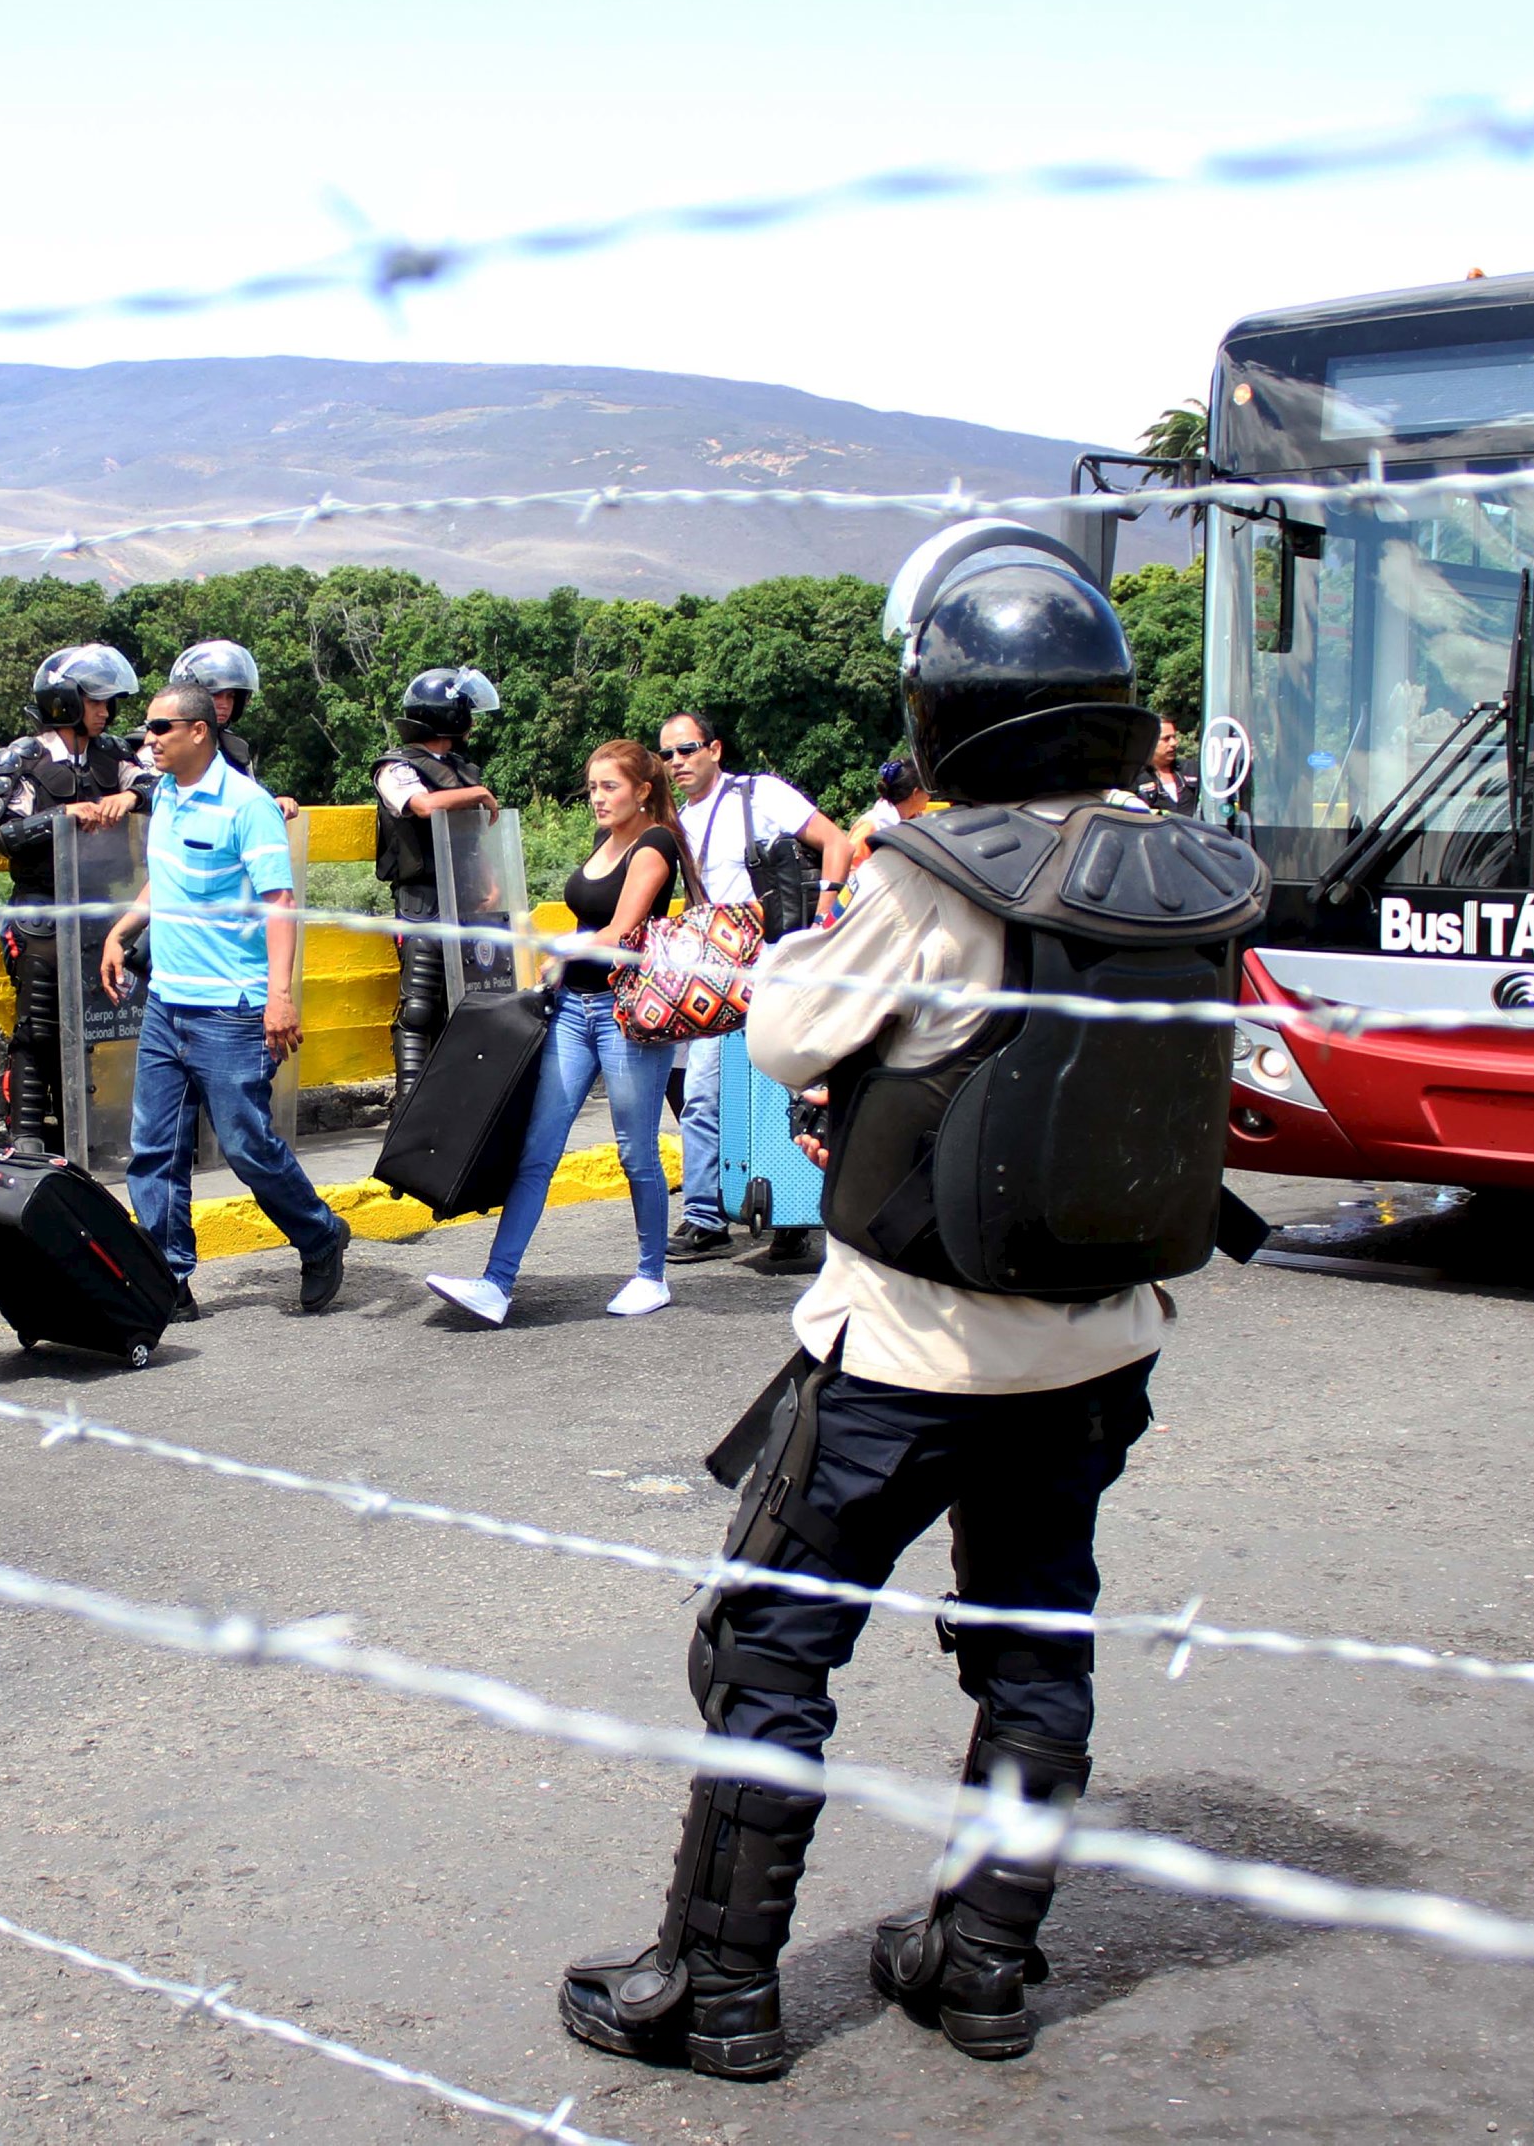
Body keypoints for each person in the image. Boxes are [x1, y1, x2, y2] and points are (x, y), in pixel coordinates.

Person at [560, 524, 1255, 2079]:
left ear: (951, 712)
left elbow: (795, 1034)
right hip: (1096, 1345)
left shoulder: (943, 873)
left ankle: (720, 1982)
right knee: (1032, 1646)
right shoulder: (1201, 873)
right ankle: (986, 1963)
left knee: (767, 1641)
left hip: (911, 1345)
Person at [421, 742, 695, 1327]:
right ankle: (496, 1284)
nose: (597, 797)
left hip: (627, 1016)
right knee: (537, 1151)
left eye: (610, 787)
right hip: (575, 1010)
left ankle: (651, 1275)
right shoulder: (606, 841)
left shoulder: (656, 844)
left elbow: (621, 933)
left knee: (635, 1152)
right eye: (593, 787)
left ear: (643, 791)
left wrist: (560, 951)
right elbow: (585, 920)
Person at [99, 683, 346, 1319]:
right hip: (167, 1005)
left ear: (199, 732)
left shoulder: (247, 806)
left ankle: (319, 1235)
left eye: (160, 728)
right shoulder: (167, 798)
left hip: (233, 1010)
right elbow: (168, 873)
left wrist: (280, 997)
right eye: (146, 729)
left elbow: (279, 904)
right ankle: (168, 1278)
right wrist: (123, 930)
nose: (148, 739)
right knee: (154, 1149)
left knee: (245, 1145)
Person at [656, 712, 854, 1267]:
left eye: (688, 749)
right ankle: (705, 1217)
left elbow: (835, 842)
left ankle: (792, 1217)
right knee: (701, 1094)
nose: (678, 762)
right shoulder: (673, 820)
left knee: (784, 1092)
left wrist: (822, 918)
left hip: (776, 964)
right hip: (716, 976)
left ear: (715, 749)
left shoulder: (760, 794)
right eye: (668, 754)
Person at [0, 645, 149, 1154]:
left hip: (98, 909)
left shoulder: (114, 754)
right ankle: (27, 1131)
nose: (105, 711)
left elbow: (161, 785)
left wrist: (130, 797)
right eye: (96, 701)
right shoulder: (20, 759)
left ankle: (80, 1129)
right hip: (40, 911)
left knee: (89, 1025)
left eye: (109, 703)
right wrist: (63, 818)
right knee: (39, 1026)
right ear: (64, 700)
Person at [371, 667, 504, 1105]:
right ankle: (410, 1106)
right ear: (446, 716)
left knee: (469, 1004)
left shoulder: (463, 770)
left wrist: (489, 882)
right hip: (422, 902)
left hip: (466, 902)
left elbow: (471, 837)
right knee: (419, 1008)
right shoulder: (396, 767)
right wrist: (478, 795)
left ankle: (461, 1105)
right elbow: (423, 806)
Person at [169, 640, 301, 816]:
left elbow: (247, 792)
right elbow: (152, 787)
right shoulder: (164, 738)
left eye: (230, 696)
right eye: (216, 695)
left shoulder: (235, 749)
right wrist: (138, 793)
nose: (224, 704)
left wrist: (272, 800)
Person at [1136, 718, 1198, 813]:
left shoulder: (1191, 768)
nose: (1174, 743)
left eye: (1174, 737)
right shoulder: (1134, 777)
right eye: (1166, 738)